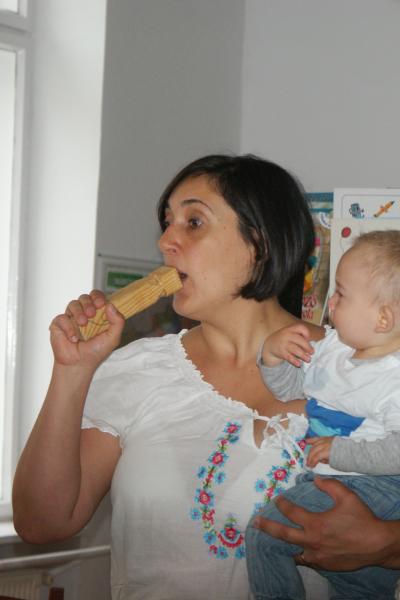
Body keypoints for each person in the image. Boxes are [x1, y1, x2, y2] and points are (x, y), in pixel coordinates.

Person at [13, 154, 326, 600]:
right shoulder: (137, 370)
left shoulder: (358, 371)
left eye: (193, 222)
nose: (165, 241)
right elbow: (41, 524)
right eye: (167, 222)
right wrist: (72, 371)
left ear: (260, 243)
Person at [245, 229, 400, 600]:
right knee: (356, 586)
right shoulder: (332, 349)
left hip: (377, 485)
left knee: (264, 536)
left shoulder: (393, 377)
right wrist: (272, 356)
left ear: (383, 319)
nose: (330, 302)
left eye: (341, 294)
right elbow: (289, 390)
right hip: (331, 479)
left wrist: (340, 451)